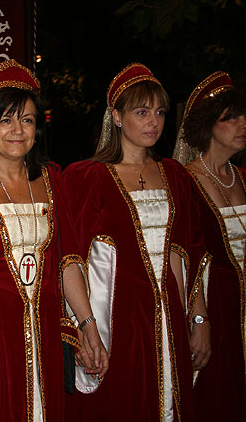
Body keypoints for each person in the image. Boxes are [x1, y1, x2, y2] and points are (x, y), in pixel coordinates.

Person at [0, 59, 108, 422]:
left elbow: (66, 262)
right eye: (6, 120)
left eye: (26, 120)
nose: (17, 130)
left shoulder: (52, 181)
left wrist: (88, 325)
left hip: (42, 331)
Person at [62, 63, 209, 421]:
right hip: (117, 320)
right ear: (116, 116)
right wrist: (84, 327)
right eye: (141, 112)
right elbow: (69, 260)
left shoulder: (176, 174)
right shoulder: (88, 178)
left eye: (158, 112)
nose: (153, 122)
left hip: (170, 317)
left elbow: (189, 249)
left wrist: (200, 321)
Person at [173, 72, 246, 421]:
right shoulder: (185, 181)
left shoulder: (244, 177)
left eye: (243, 116)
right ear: (207, 126)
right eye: (230, 118)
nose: (242, 123)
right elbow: (183, 253)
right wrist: (199, 317)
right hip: (217, 305)